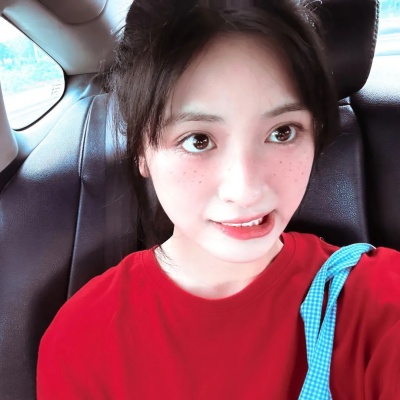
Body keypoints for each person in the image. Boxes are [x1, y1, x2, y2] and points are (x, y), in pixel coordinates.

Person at [36, 0, 400, 399]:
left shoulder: (377, 298)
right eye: (198, 140)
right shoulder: (83, 339)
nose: (245, 191)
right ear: (141, 152)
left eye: (282, 132)